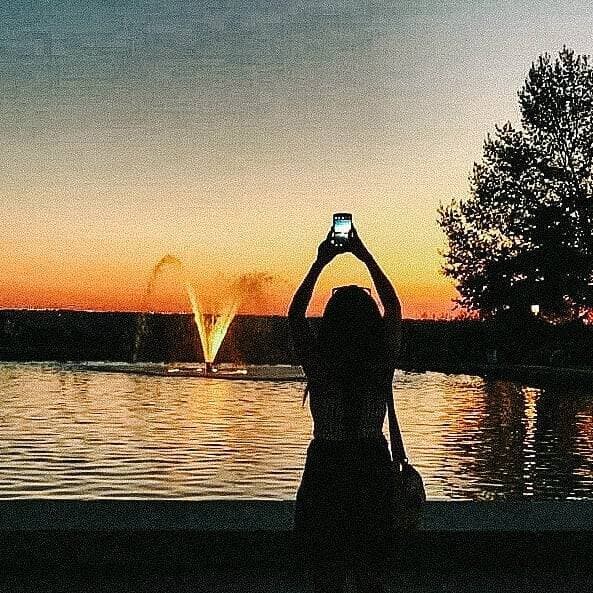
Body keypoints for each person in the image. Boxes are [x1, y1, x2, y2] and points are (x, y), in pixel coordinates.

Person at [289, 225, 402, 593]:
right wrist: (364, 254)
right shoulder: (379, 364)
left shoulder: (320, 367)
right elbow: (395, 307)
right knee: (370, 574)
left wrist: (320, 262)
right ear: (371, 324)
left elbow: (295, 316)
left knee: (326, 574)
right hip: (372, 464)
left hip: (327, 466)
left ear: (331, 324)